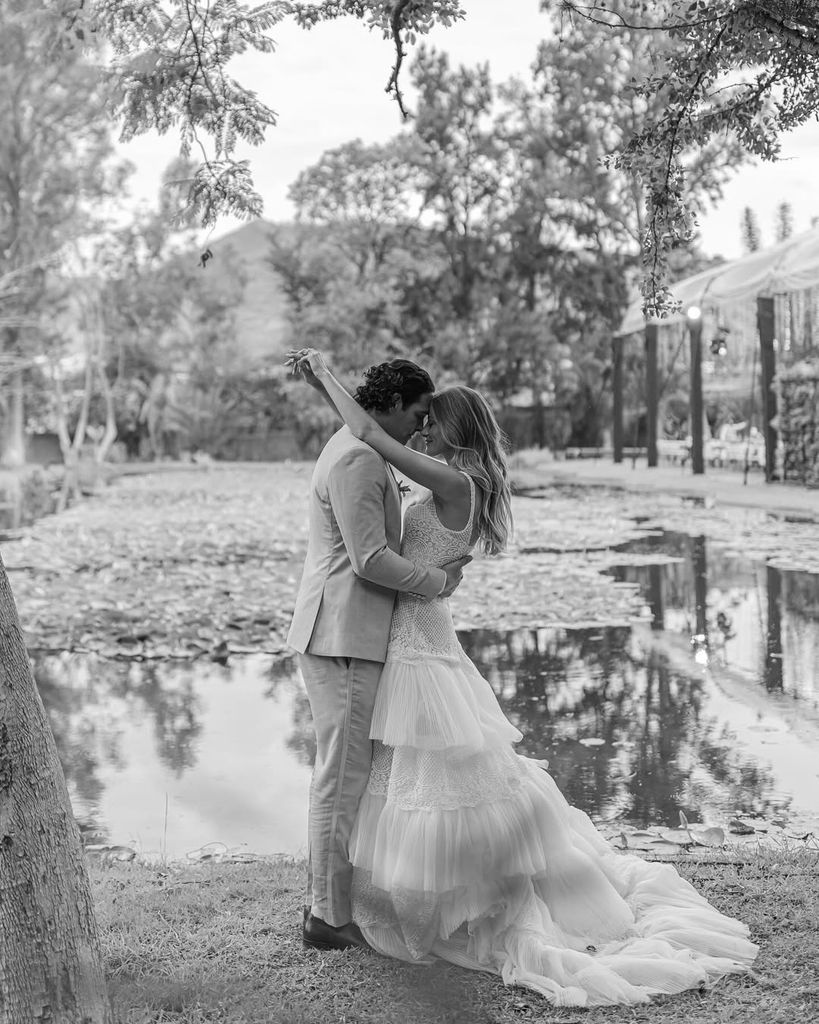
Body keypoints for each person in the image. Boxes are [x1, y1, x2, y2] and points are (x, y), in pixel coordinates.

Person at [289, 347, 758, 1008]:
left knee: (424, 776)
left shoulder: (449, 483)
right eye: (418, 413)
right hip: (392, 638)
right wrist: (327, 385)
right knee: (385, 775)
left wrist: (324, 376)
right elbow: (368, 477)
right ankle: (352, 900)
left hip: (411, 641)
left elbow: (369, 439)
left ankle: (402, 900)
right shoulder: (435, 476)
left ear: (452, 428)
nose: (422, 425)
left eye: (431, 417)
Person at [286, 355, 471, 953]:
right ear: (391, 403)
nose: (422, 426)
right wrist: (436, 582)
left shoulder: (357, 445)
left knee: (345, 773)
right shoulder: (359, 458)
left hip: (352, 633)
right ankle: (327, 917)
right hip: (342, 635)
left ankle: (335, 904)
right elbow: (370, 560)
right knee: (341, 777)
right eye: (419, 412)